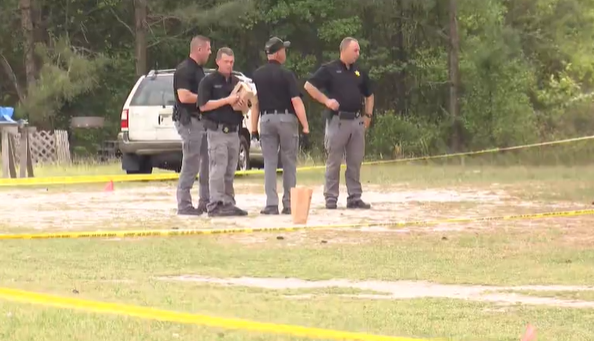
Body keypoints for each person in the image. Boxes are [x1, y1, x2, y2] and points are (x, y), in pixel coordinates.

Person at [303, 37, 375, 210]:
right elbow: (309, 86)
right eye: (355, 50)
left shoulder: (359, 72)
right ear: (344, 50)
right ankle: (331, 198)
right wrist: (326, 101)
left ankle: (355, 197)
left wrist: (368, 116)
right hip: (338, 121)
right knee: (334, 161)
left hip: (357, 121)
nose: (358, 54)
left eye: (358, 50)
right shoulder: (329, 69)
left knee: (355, 161)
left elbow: (370, 94)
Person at [250, 37, 310, 215]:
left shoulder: (257, 75)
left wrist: (254, 129)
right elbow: (296, 101)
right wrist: (305, 126)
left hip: (266, 120)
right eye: (283, 50)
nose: (285, 52)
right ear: (277, 53)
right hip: (286, 119)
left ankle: (271, 204)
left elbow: (255, 104)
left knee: (269, 163)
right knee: (289, 162)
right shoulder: (287, 74)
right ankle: (289, 203)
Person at [197, 47, 248, 217]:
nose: (229, 65)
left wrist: (243, 106)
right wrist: (226, 100)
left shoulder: (237, 82)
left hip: (234, 131)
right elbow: (203, 106)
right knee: (218, 168)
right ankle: (215, 203)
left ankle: (228, 202)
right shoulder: (208, 81)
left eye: (232, 62)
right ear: (218, 61)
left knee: (230, 168)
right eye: (226, 62)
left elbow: (247, 107)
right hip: (217, 130)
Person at [172, 35, 212, 216]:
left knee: (207, 162)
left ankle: (205, 201)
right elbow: (184, 96)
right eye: (208, 49)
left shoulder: (199, 70)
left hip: (201, 121)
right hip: (189, 122)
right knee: (191, 162)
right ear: (199, 49)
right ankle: (184, 204)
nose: (210, 52)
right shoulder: (184, 70)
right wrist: (207, 99)